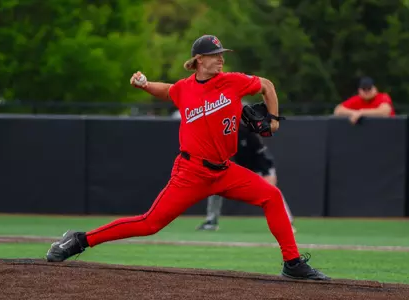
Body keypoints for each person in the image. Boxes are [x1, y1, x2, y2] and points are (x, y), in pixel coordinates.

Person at [45, 35, 330, 281]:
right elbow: (168, 90)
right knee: (149, 223)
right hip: (191, 172)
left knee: (271, 196)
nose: (220, 60)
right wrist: (144, 85)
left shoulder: (232, 82)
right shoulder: (184, 88)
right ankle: (80, 240)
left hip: (225, 171)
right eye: (214, 55)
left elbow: (266, 85)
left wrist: (275, 119)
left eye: (222, 55)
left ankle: (292, 264)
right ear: (198, 60)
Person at [196, 120, 297, 233]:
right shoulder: (223, 135)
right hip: (243, 170)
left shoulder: (248, 133)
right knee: (216, 187)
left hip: (261, 169)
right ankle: (211, 222)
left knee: (272, 192)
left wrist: (267, 173)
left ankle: (287, 223)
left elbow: (262, 155)